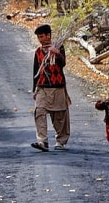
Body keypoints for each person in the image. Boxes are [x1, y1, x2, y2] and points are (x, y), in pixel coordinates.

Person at [31, 23, 70, 152]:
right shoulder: (38, 52)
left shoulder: (59, 47)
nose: (40, 39)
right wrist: (34, 89)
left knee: (59, 116)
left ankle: (61, 141)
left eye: (42, 36)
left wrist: (57, 53)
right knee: (39, 112)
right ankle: (42, 141)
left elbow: (63, 63)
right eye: (38, 37)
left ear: (48, 35)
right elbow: (36, 71)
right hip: (42, 87)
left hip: (57, 87)